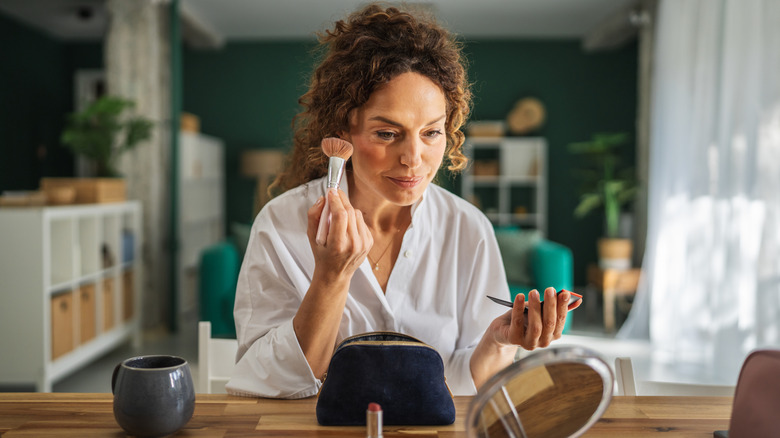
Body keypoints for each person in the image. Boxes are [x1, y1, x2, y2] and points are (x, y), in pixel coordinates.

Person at [226, 3, 576, 399]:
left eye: (430, 133)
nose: (413, 159)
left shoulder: (468, 229)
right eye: (388, 134)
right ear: (343, 131)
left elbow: (467, 382)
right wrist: (331, 277)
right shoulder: (280, 224)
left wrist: (499, 341)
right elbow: (264, 382)